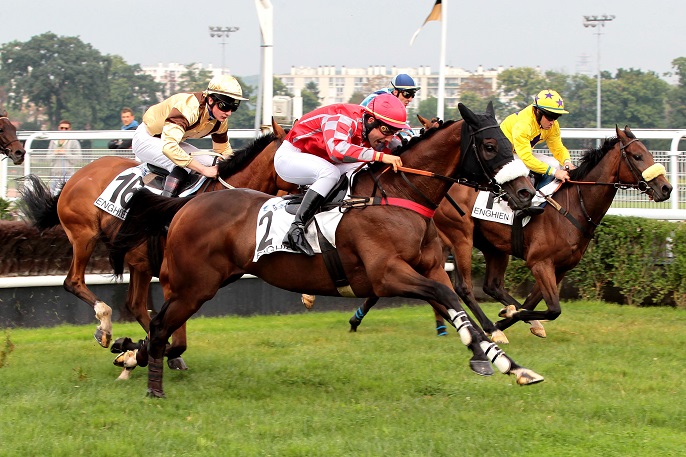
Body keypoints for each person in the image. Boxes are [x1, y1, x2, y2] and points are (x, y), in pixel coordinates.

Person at [274, 93, 406, 256]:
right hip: (291, 157)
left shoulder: (371, 130)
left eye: (394, 132)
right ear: (371, 121)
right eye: (386, 130)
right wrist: (380, 156)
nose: (388, 138)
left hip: (322, 160)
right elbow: (337, 150)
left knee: (365, 167)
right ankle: (295, 230)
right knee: (330, 174)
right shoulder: (342, 117)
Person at [132, 74, 247, 197]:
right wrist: (203, 170)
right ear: (210, 99)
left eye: (233, 108)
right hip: (147, 138)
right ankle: (165, 205)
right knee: (182, 165)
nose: (228, 113)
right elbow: (169, 147)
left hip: (169, 140)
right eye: (224, 106)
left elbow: (223, 150)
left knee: (212, 162)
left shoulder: (220, 120)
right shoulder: (189, 108)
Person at [499, 89, 575, 215]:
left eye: (556, 117)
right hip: (504, 154)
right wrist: (555, 173)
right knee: (529, 169)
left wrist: (567, 162)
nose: (553, 122)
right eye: (550, 117)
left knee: (555, 163)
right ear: (538, 112)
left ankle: (541, 199)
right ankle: (526, 203)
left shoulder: (552, 125)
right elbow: (526, 158)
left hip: (520, 152)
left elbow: (558, 148)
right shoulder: (523, 124)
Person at [47, 120, 82, 194]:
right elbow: (48, 158)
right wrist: (55, 153)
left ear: (70, 129)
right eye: (61, 128)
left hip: (68, 175)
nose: (63, 130)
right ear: (58, 128)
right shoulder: (53, 141)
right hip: (55, 176)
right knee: (52, 197)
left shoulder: (74, 142)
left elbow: (79, 158)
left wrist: (65, 153)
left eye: (66, 128)